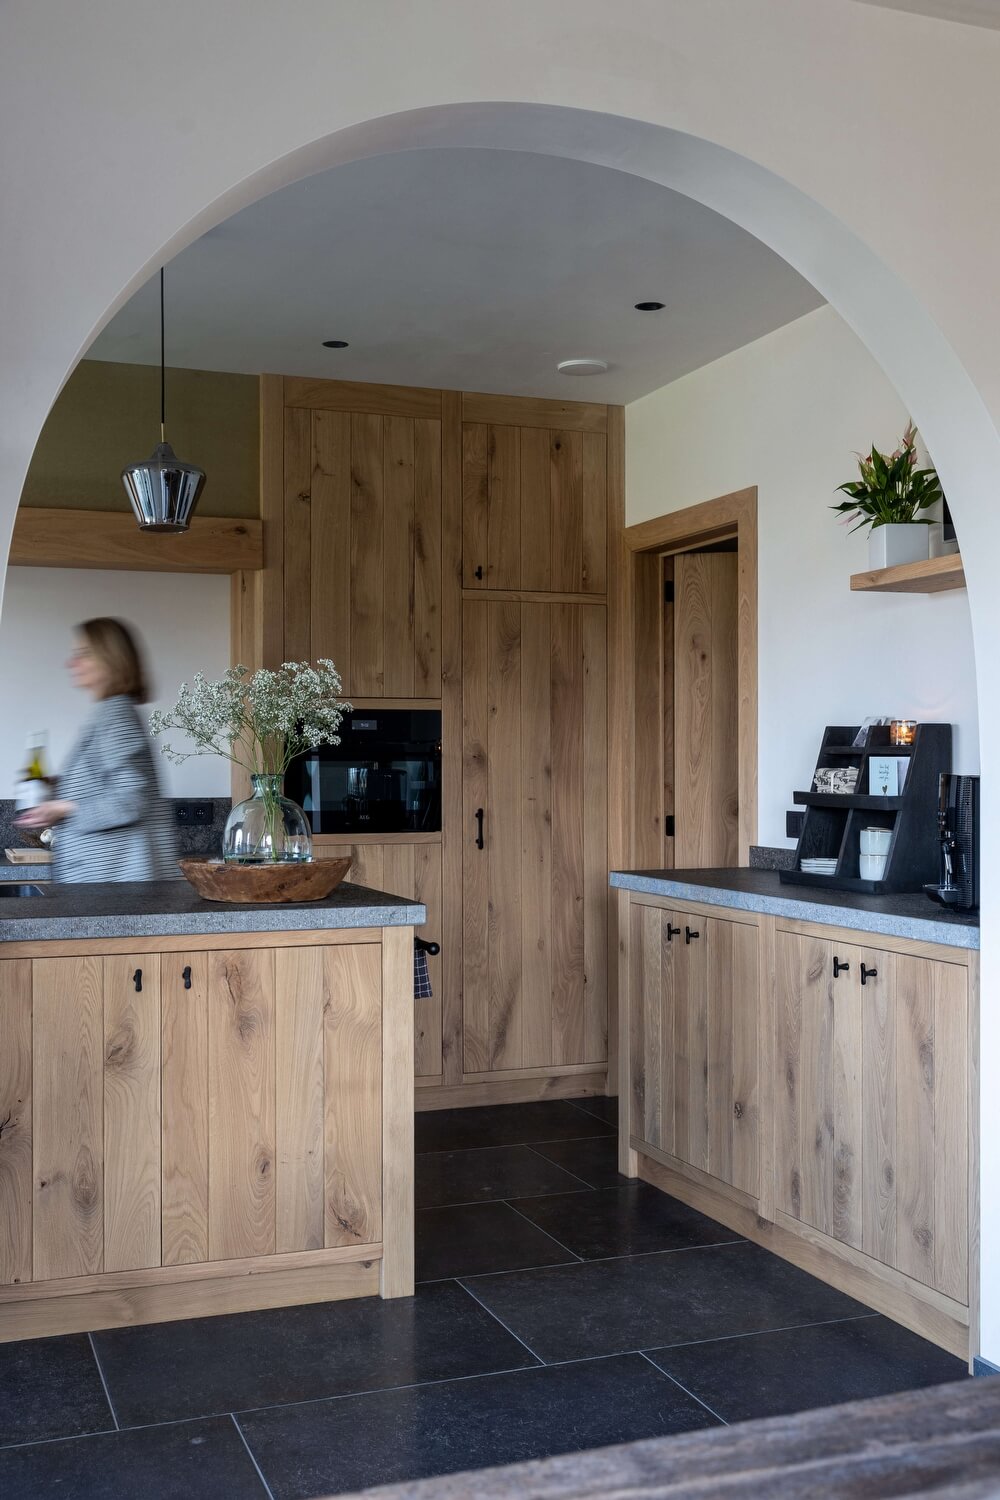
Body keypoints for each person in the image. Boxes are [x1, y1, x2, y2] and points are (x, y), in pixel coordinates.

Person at [17, 618, 177, 881]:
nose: (71, 663)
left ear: (111, 659)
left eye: (83, 654)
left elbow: (131, 801)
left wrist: (64, 808)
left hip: (117, 883)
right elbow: (107, 786)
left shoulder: (118, 717)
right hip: (107, 884)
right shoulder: (109, 714)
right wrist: (59, 786)